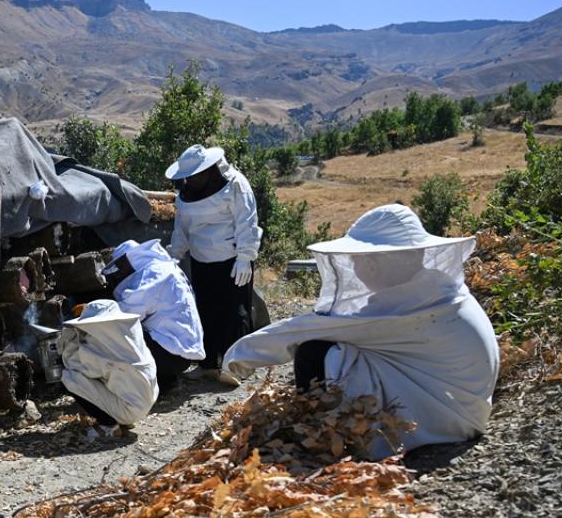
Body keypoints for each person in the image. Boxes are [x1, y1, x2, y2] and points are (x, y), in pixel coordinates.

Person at [222, 204, 500, 458]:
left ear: (382, 260)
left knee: (315, 351)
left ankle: (318, 440)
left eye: (360, 258)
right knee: (340, 351)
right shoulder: (434, 290)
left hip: (442, 419)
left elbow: (303, 331)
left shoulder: (406, 306)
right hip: (462, 409)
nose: (357, 266)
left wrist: (237, 357)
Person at [165, 144, 262, 386]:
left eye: (195, 175)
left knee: (235, 312)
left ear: (209, 170)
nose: (191, 180)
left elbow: (247, 221)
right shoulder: (184, 195)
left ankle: (236, 366)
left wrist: (245, 257)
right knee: (206, 311)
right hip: (201, 260)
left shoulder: (236, 184)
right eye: (188, 176)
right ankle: (208, 365)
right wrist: (174, 257)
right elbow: (182, 230)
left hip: (232, 259)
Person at [102, 239, 205, 390]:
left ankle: (146, 385)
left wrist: (97, 311)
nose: (120, 270)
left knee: (117, 332)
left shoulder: (154, 275)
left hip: (171, 354)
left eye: (121, 265)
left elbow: (126, 314)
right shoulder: (163, 268)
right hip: (180, 352)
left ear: (131, 258)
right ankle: (165, 381)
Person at [58, 299, 160, 440]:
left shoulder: (102, 349)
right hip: (146, 401)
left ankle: (109, 426)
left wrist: (67, 340)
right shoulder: (128, 338)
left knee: (69, 377)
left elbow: (73, 363)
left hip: (130, 408)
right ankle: (122, 419)